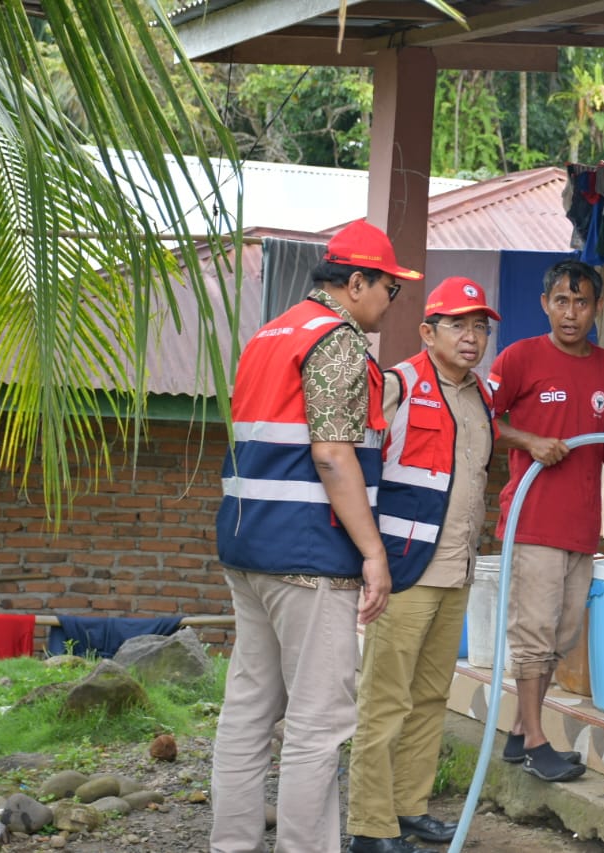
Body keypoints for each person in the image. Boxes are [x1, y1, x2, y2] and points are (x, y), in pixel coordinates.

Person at [211, 219, 423, 853]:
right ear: (356, 283)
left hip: (249, 545)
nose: (392, 300)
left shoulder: (271, 333)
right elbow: (332, 454)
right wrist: (374, 552)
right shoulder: (337, 340)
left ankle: (232, 845)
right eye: (389, 287)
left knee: (249, 711)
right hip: (308, 556)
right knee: (317, 723)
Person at [487, 259, 604, 783]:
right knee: (534, 635)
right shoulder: (520, 358)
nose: (570, 312)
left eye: (581, 302)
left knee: (561, 634)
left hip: (582, 527)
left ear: (597, 308)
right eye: (561, 301)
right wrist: (530, 441)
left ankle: (520, 732)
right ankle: (537, 742)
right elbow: (482, 416)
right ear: (545, 304)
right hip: (533, 521)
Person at [345, 277, 501, 853]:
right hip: (403, 571)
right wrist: (369, 558)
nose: (471, 336)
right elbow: (352, 465)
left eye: (480, 327)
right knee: (385, 699)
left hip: (455, 569)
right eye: (458, 325)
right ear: (428, 332)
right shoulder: (398, 384)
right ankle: (370, 827)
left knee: (432, 695)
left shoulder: (482, 396)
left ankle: (408, 810)